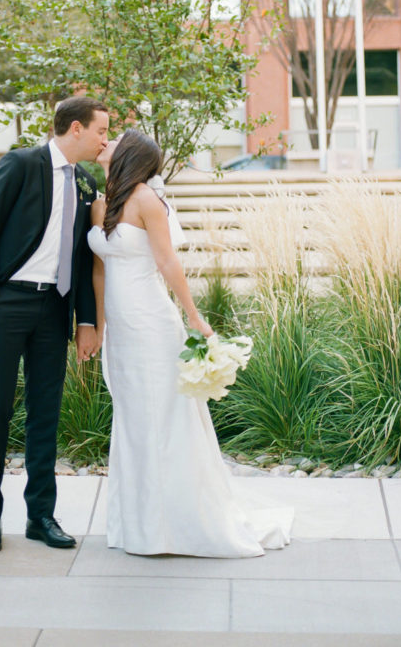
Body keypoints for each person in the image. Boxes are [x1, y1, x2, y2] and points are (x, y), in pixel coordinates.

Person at [89, 129, 293, 557]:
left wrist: (195, 316)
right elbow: (99, 271)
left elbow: (167, 261)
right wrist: (98, 324)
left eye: (115, 139)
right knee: (132, 417)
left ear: (129, 155)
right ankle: (139, 525)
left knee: (163, 417)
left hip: (152, 322)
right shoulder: (99, 204)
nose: (106, 142)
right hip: (122, 330)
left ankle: (176, 526)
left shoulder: (147, 200)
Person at [0, 96, 108, 555]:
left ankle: (41, 516)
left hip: (54, 309)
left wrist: (86, 320)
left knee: (45, 415)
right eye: (102, 130)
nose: (105, 139)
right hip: (7, 305)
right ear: (77, 128)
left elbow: (84, 260)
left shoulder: (86, 182)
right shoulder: (21, 163)